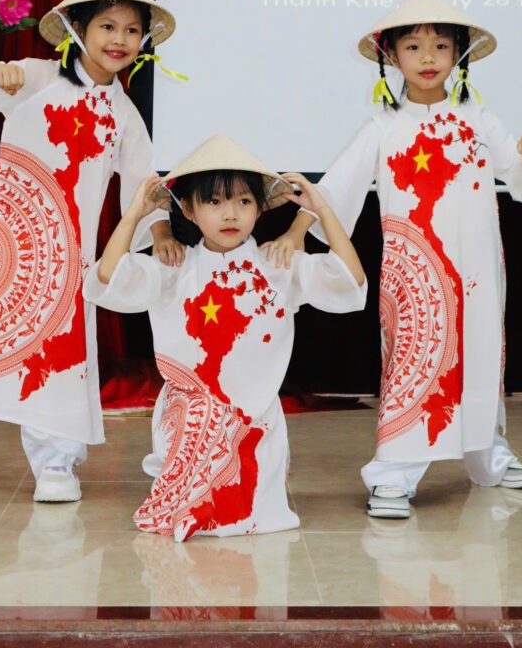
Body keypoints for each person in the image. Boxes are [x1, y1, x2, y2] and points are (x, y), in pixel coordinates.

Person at [0, 0, 184, 503]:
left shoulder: (124, 113)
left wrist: (162, 229)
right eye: (107, 26)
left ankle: (57, 460)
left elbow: (141, 185)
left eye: (132, 30)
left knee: (61, 349)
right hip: (1, 232)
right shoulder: (35, 77)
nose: (120, 40)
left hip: (68, 249)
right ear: (78, 28)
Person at [262, 0, 522, 519]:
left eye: (441, 46)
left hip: (477, 270)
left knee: (479, 358)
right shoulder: (383, 127)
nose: (428, 58)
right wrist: (295, 231)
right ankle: (393, 472)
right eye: (413, 46)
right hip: (414, 271)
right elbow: (336, 189)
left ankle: (488, 454)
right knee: (413, 361)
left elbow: (516, 173)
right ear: (391, 56)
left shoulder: (480, 120)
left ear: (459, 55)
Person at [84, 133, 366, 541]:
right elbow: (107, 279)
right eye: (214, 202)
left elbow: (351, 282)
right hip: (188, 413)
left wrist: (319, 209)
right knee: (198, 426)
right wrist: (134, 217)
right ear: (189, 210)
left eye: (244, 201)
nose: (230, 214)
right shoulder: (175, 267)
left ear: (259, 208)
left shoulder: (276, 265)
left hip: (256, 420)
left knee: (242, 508)